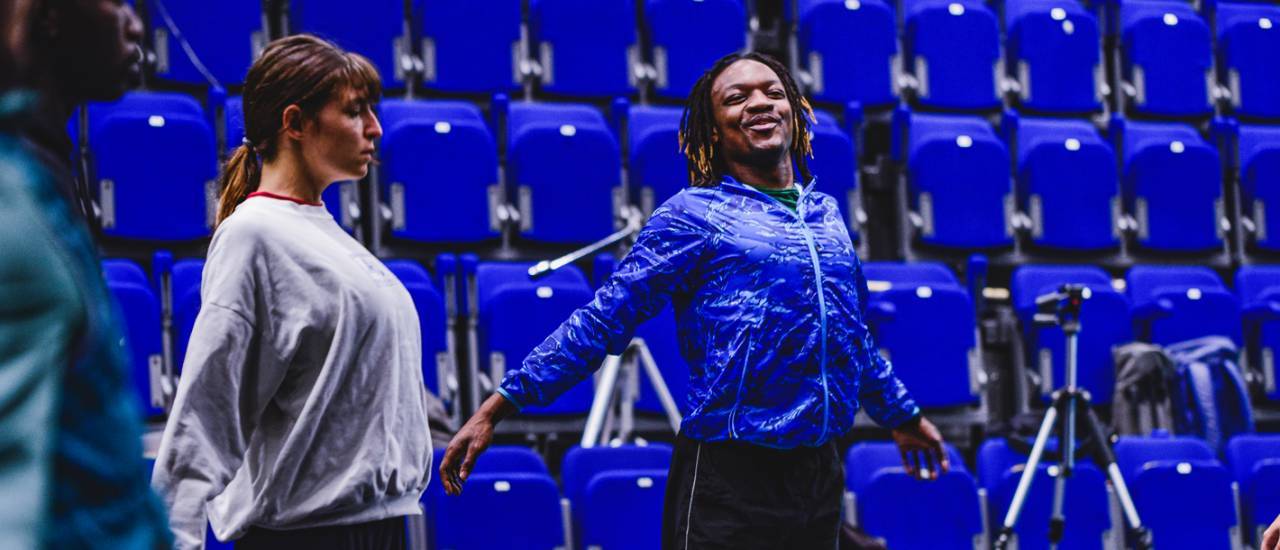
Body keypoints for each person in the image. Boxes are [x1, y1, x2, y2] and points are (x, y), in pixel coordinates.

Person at [439, 51, 949, 549]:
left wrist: (901, 416)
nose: (760, 103)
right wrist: (500, 405)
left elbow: (850, 337)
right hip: (728, 476)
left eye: (774, 92)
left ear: (795, 111)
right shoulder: (693, 215)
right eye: (737, 98)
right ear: (711, 128)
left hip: (817, 473)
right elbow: (604, 318)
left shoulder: (828, 215)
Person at [151, 35, 432, 550]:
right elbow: (209, 403)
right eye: (355, 111)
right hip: (310, 537)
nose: (375, 129)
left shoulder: (329, 236)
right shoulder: (252, 235)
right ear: (296, 123)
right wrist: (173, 535)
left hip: (380, 525)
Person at [0, 0, 171, 547]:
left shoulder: (42, 164)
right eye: (116, 2)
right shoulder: (11, 201)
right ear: (46, 15)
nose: (136, 24)